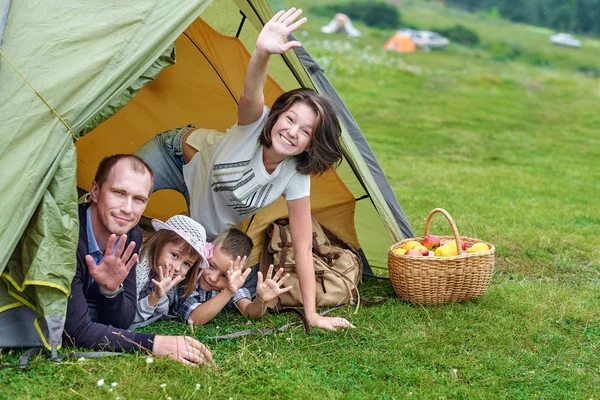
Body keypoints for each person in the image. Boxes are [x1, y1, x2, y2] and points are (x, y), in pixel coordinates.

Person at [136, 8, 354, 331]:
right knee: (119, 199)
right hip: (177, 156)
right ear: (276, 116)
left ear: (312, 143)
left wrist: (311, 314)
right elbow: (251, 89)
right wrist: (262, 51)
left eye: (305, 131)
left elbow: (303, 247)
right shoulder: (254, 123)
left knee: (185, 261)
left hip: (205, 220)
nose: (292, 131)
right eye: (290, 119)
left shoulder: (295, 175)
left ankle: (146, 297)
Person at [63, 154, 212, 365]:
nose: (128, 209)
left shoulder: (132, 235)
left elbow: (122, 320)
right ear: (95, 191)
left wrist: (111, 291)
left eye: (139, 199)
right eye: (118, 193)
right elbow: (75, 330)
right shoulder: (68, 236)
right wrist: (153, 344)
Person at [175, 229, 292, 325]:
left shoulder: (231, 285)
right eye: (211, 266)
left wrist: (261, 301)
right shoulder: (188, 276)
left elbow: (248, 311)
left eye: (225, 276)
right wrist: (227, 292)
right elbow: (194, 319)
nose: (213, 278)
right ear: (205, 253)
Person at [133, 215, 208, 326]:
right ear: (159, 243)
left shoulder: (168, 279)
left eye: (187, 264)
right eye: (174, 255)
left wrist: (159, 295)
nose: (177, 268)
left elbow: (161, 315)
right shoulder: (138, 263)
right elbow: (126, 317)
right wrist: (154, 298)